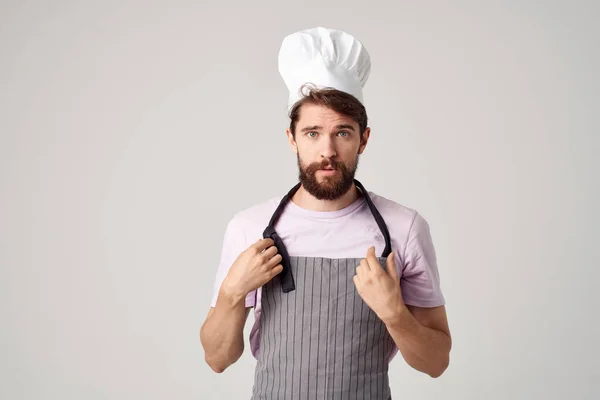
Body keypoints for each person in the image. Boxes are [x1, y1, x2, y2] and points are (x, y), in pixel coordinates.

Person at [200, 27, 451, 400]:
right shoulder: (249, 228)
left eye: (343, 133)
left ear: (364, 138)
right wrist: (233, 291)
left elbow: (435, 363)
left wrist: (394, 313)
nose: (328, 151)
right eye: (313, 133)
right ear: (292, 138)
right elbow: (218, 359)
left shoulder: (404, 229)